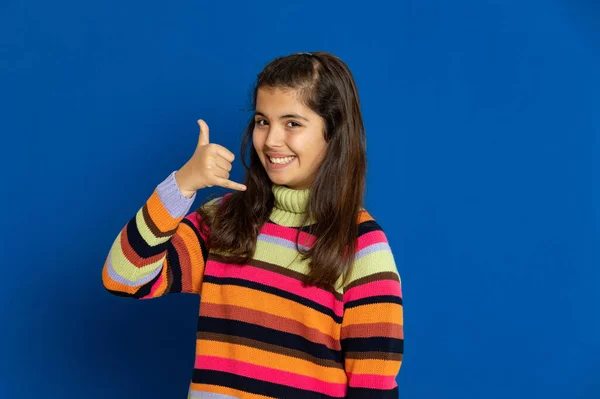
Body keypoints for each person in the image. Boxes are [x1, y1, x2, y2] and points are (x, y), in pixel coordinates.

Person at [102, 51, 404, 398]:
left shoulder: (362, 245)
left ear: (333, 132)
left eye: (292, 123)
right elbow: (123, 278)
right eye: (263, 121)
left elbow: (374, 387)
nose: (271, 140)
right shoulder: (225, 220)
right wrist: (181, 185)